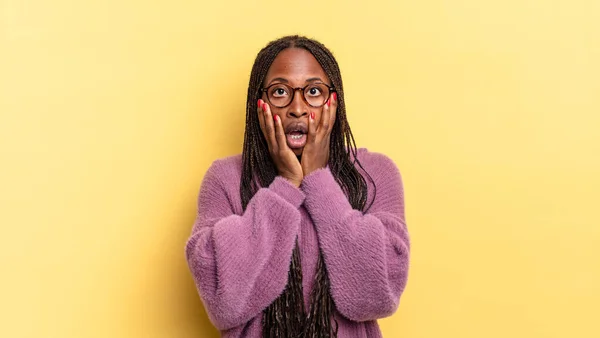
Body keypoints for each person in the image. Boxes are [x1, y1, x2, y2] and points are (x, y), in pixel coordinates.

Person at [185, 35, 410, 338]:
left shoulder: (374, 174)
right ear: (259, 104)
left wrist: (317, 179)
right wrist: (286, 185)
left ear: (335, 101)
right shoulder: (225, 179)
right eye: (280, 91)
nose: (298, 108)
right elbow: (223, 302)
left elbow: (378, 294)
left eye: (314, 91)